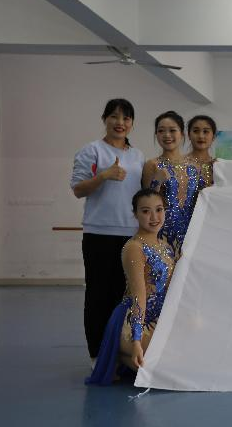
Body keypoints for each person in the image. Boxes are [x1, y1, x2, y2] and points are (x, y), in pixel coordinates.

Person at [71, 98, 145, 367]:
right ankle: (96, 354)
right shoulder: (91, 150)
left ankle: (121, 352)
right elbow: (78, 189)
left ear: (132, 123)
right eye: (114, 116)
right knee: (98, 295)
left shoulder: (137, 155)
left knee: (124, 296)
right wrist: (103, 175)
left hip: (131, 235)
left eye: (126, 118)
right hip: (99, 234)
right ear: (105, 119)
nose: (120, 122)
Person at [86, 189, 176, 385]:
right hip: (135, 319)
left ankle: (124, 356)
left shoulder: (166, 246)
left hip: (159, 317)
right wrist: (136, 341)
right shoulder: (134, 248)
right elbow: (138, 297)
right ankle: (119, 353)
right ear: (135, 214)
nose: (154, 217)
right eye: (145, 211)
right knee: (164, 369)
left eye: (159, 209)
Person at [142, 111, 199, 256]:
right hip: (162, 233)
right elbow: (145, 203)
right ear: (156, 134)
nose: (167, 135)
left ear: (182, 134)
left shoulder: (194, 166)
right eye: (161, 131)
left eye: (172, 130)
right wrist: (157, 181)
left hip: (191, 233)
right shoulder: (152, 165)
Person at [185, 115, 217, 191]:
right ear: (189, 135)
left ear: (213, 136)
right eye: (196, 131)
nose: (201, 136)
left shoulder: (217, 166)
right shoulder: (179, 164)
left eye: (205, 131)